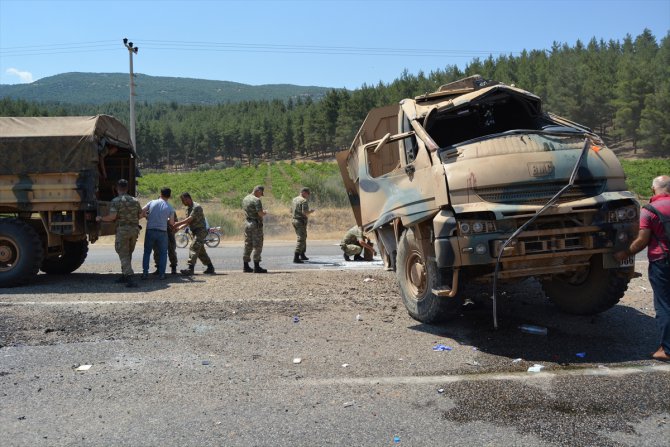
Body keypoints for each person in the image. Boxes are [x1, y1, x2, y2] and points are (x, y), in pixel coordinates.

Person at [615, 175, 670, 361]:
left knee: (664, 305)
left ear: (654, 190)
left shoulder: (650, 210)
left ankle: (667, 350)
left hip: (662, 263)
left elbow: (641, 241)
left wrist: (624, 254)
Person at [96, 179, 142, 287]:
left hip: (123, 230)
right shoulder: (135, 200)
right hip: (134, 230)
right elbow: (140, 215)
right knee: (128, 253)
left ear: (117, 189)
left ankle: (130, 277)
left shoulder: (116, 201)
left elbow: (112, 217)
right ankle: (124, 275)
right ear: (127, 188)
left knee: (123, 253)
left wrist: (100, 218)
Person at [174, 192, 215, 276]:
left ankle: (190, 268)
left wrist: (177, 224)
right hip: (195, 231)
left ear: (187, 199)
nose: (182, 202)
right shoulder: (189, 208)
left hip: (201, 231)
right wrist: (178, 227)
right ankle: (210, 267)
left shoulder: (197, 207)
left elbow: (189, 219)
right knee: (200, 251)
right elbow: (188, 222)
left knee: (193, 247)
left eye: (183, 200)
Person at [141, 187, 176, 280]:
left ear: (160, 193)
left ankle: (145, 273)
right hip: (162, 232)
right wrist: (166, 219)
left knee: (147, 252)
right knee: (163, 253)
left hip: (150, 230)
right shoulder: (170, 208)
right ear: (169, 196)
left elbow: (141, 211)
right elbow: (172, 223)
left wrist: (147, 216)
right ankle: (162, 274)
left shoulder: (152, 202)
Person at [242, 185, 267, 273]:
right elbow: (260, 213)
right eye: (261, 193)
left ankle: (246, 266)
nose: (261, 195)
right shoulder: (256, 200)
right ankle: (257, 267)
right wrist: (265, 212)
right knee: (258, 245)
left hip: (247, 223)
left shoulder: (245, 198)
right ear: (258, 191)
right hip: (255, 225)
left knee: (248, 244)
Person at [291, 187, 315, 263]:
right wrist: (310, 211)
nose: (308, 195)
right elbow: (304, 212)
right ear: (304, 192)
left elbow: (290, 210)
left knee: (303, 237)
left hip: (294, 220)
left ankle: (302, 254)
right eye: (308, 193)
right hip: (300, 221)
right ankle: (296, 257)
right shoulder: (303, 201)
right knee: (301, 239)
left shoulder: (294, 199)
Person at [153, 209, 178, 275]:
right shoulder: (155, 209)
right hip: (158, 231)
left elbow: (175, 222)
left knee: (171, 250)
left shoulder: (170, 209)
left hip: (169, 232)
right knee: (157, 250)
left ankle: (173, 267)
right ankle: (158, 268)